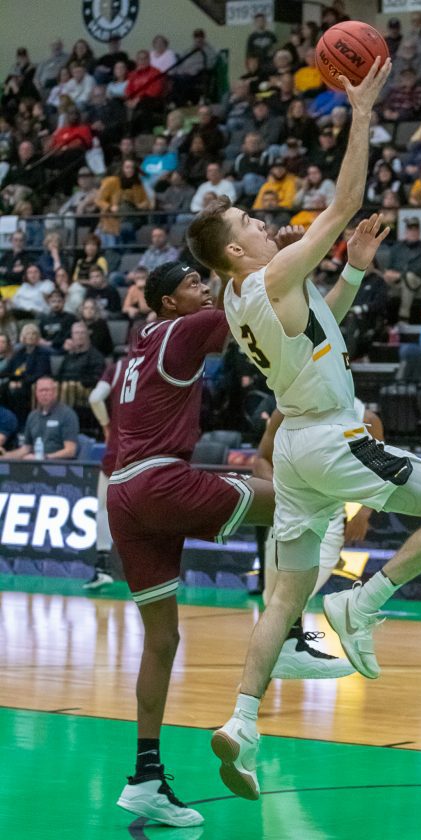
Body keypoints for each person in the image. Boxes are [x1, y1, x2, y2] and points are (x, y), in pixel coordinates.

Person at [187, 57, 421, 800]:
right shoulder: (271, 275)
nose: (261, 221)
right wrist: (363, 108)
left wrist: (351, 271)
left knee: (283, 599)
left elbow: (319, 331)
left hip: (294, 451)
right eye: (248, 223)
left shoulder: (240, 298)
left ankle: (242, 723)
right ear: (235, 251)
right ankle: (362, 601)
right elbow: (346, 198)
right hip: (331, 438)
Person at [108, 261, 278, 827]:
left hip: (124, 492)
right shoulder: (183, 329)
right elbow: (244, 300)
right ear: (169, 303)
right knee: (292, 499)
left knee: (162, 640)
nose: (203, 289)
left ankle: (145, 777)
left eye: (204, 282)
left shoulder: (140, 344)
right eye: (192, 285)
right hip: (160, 480)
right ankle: (292, 632)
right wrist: (252, 256)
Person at [254, 399, 384, 679]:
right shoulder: (287, 409)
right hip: (288, 514)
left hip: (329, 518)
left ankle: (274, 666)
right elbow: (261, 459)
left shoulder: (366, 419)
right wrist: (279, 490)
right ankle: (284, 656)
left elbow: (380, 470)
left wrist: (364, 512)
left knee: (290, 598)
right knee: (276, 600)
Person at [86, 358, 126, 589]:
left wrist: (106, 425)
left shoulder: (118, 366)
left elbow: (94, 398)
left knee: (103, 507)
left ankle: (103, 568)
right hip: (152, 447)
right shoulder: (162, 362)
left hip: (119, 446)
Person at [0, 377, 79, 461]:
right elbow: (26, 448)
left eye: (47, 390)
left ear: (55, 392)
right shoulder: (32, 416)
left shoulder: (67, 414)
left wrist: (44, 458)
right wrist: (5, 457)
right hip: (35, 465)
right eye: (41, 390)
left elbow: (71, 451)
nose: (44, 393)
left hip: (59, 466)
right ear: (36, 394)